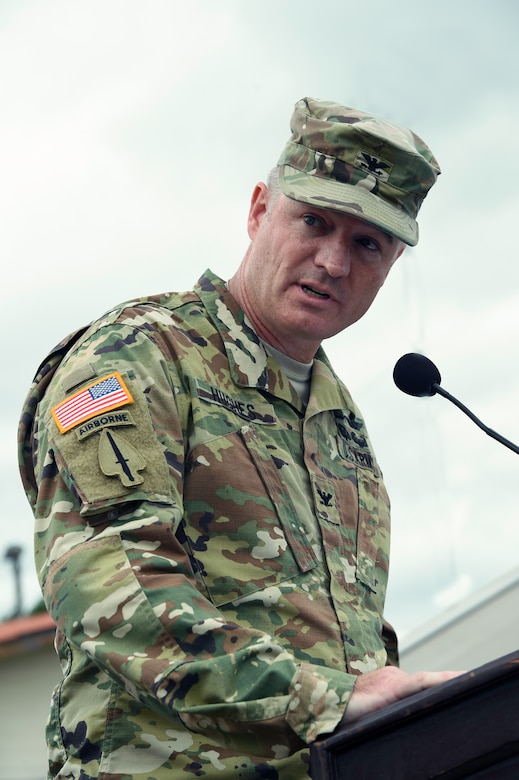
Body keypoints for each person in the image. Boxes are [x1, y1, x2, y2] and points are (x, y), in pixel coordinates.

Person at [18, 97, 460, 779]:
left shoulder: (335, 414)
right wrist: (328, 699)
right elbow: (115, 596)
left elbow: (352, 640)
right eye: (313, 222)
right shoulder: (138, 358)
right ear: (258, 211)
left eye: (366, 243)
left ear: (391, 262)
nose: (333, 262)